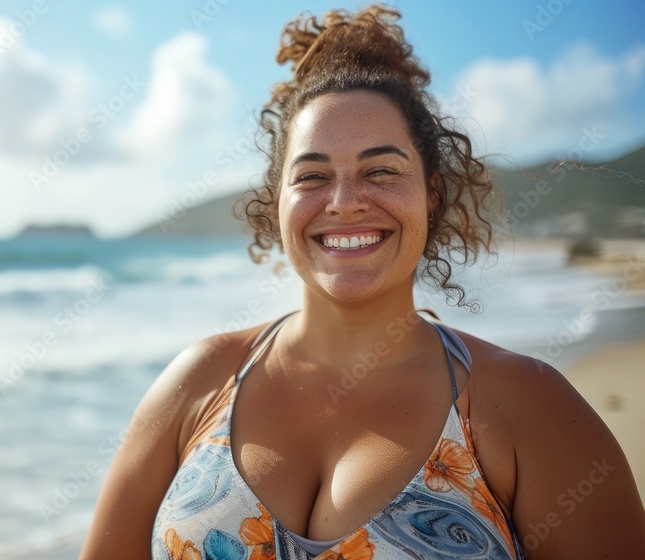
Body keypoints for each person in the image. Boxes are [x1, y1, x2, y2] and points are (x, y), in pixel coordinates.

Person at [79, 5, 645, 559]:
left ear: (433, 194)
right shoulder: (199, 382)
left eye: (380, 171)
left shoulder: (525, 404)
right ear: (279, 202)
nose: (345, 202)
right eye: (314, 176)